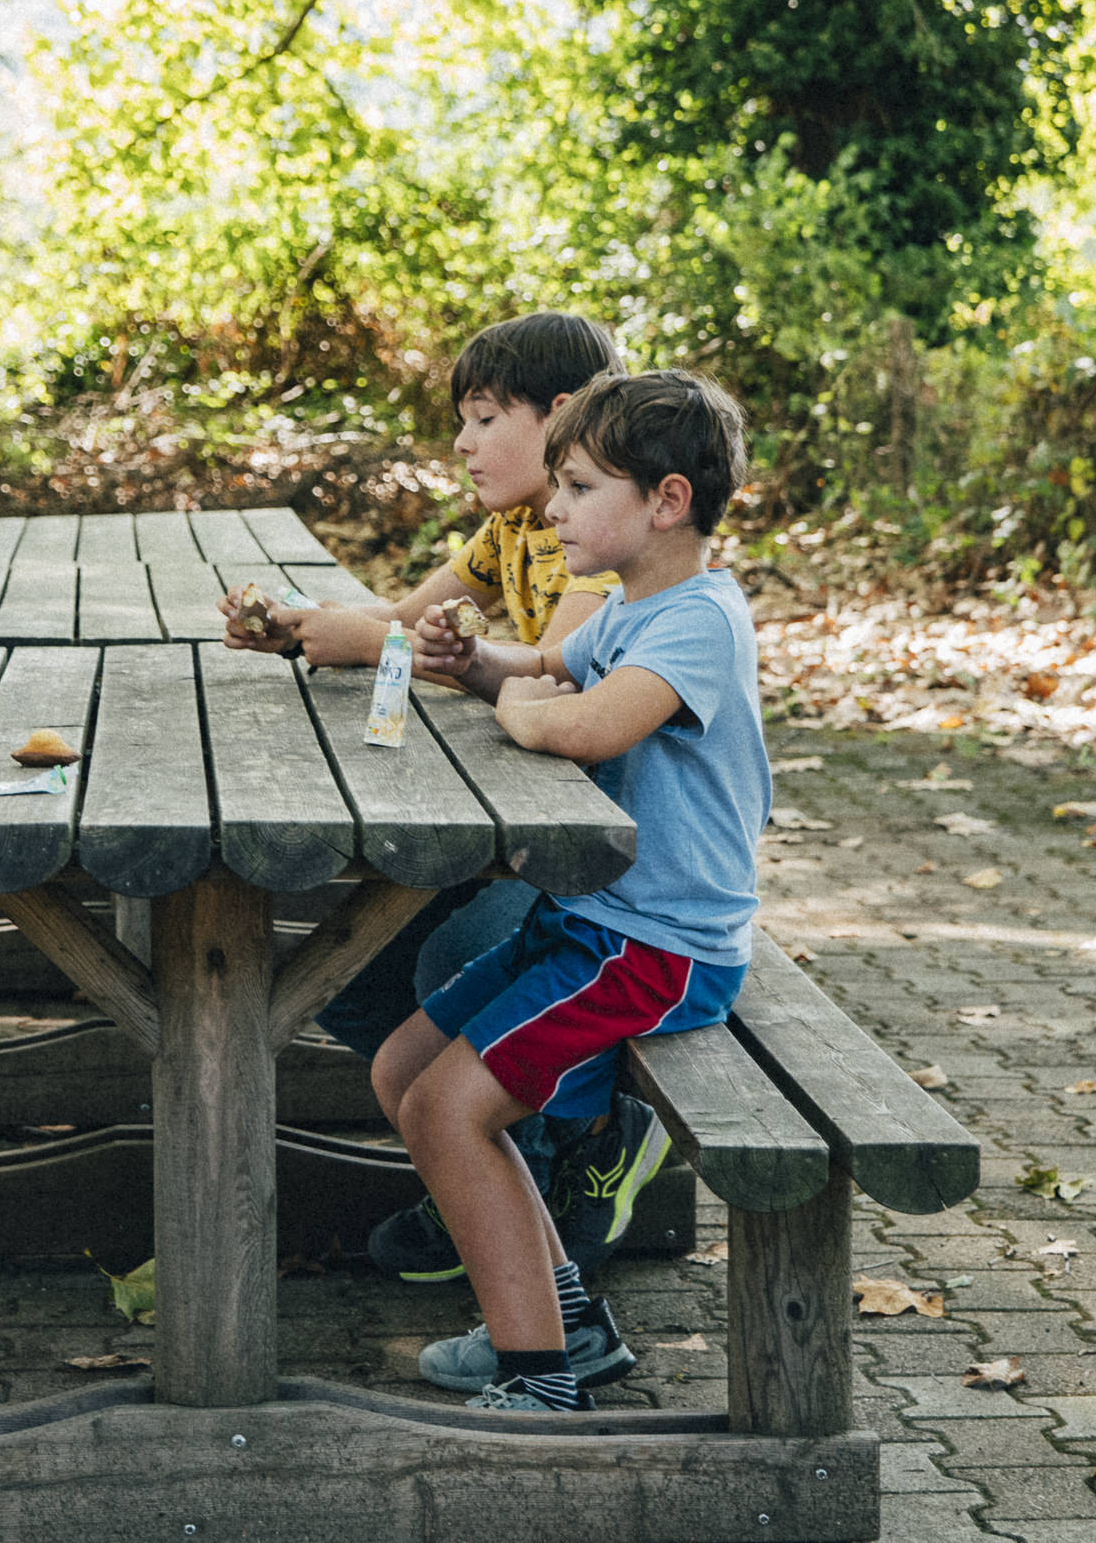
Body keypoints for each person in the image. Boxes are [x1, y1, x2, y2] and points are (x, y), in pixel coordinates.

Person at [219, 311, 670, 1281]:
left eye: (481, 418)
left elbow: (556, 678)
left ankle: (553, 1177)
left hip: (599, 861)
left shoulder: (596, 554)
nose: (461, 444)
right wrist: (298, 627)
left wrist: (377, 645)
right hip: (532, 823)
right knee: (351, 968)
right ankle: (469, 1168)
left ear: (562, 416)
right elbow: (406, 621)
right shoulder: (512, 526)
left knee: (454, 958)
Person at [380, 369, 770, 1411]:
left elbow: (585, 722)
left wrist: (525, 712)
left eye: (581, 487)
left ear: (667, 502)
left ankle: (541, 1379)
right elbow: (542, 672)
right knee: (404, 1070)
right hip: (593, 923)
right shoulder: (633, 611)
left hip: (657, 949)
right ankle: (569, 1322)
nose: (552, 510)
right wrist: (472, 665)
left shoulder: (696, 622)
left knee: (453, 1110)